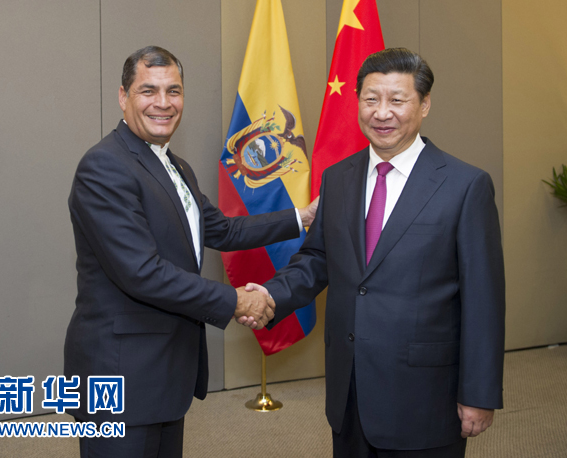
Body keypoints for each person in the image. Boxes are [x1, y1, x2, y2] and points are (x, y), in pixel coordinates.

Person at [245, 48, 505, 457]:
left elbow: (483, 300)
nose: (382, 113)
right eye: (371, 99)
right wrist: (270, 295)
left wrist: (479, 393)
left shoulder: (465, 186)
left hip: (424, 397)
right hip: (349, 391)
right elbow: (317, 259)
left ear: (424, 104)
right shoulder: (338, 178)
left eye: (397, 100)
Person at [64, 45, 317, 458]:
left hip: (164, 370)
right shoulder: (105, 166)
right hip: (122, 373)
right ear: (123, 97)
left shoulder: (176, 166)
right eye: (148, 91)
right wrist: (236, 300)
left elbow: (223, 229)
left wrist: (301, 217)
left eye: (174, 91)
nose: (163, 103)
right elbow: (142, 272)